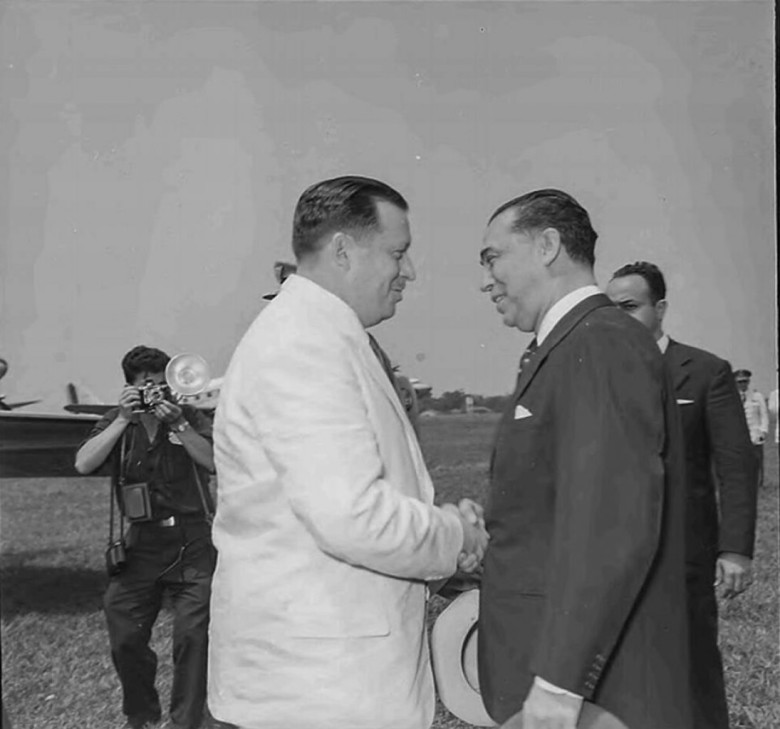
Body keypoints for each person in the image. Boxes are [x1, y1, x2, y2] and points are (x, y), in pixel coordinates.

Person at [208, 175, 487, 729]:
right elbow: (352, 516)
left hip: (324, 682)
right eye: (398, 253)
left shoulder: (322, 334)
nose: (409, 272)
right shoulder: (303, 344)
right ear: (342, 250)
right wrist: (453, 536)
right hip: (317, 692)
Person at [477, 189, 692, 729]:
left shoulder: (599, 343)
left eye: (493, 257)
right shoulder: (572, 344)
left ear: (547, 245)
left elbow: (610, 525)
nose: (487, 279)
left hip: (591, 693)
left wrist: (559, 685)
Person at [607, 261, 757, 729]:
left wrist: (734, 550)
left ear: (661, 309)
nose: (620, 318)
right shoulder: (597, 375)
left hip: (685, 555)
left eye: (630, 307)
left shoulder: (706, 371)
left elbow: (735, 468)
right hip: (614, 554)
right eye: (610, 309)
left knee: (693, 669)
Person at [74, 345, 216, 729]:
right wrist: (122, 418)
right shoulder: (120, 421)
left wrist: (180, 427)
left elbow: (214, 462)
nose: (153, 391)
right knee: (123, 629)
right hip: (142, 543)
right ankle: (140, 713)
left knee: (193, 635)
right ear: (129, 387)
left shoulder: (187, 416)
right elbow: (84, 463)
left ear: (170, 384)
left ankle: (186, 721)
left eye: (159, 383)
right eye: (144, 385)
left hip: (192, 540)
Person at [734, 369, 769, 489]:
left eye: (745, 381)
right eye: (739, 382)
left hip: (755, 433)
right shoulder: (733, 397)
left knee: (757, 459)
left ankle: (759, 482)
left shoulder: (756, 396)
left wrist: (763, 430)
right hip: (740, 434)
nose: (742, 384)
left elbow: (764, 414)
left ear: (748, 381)